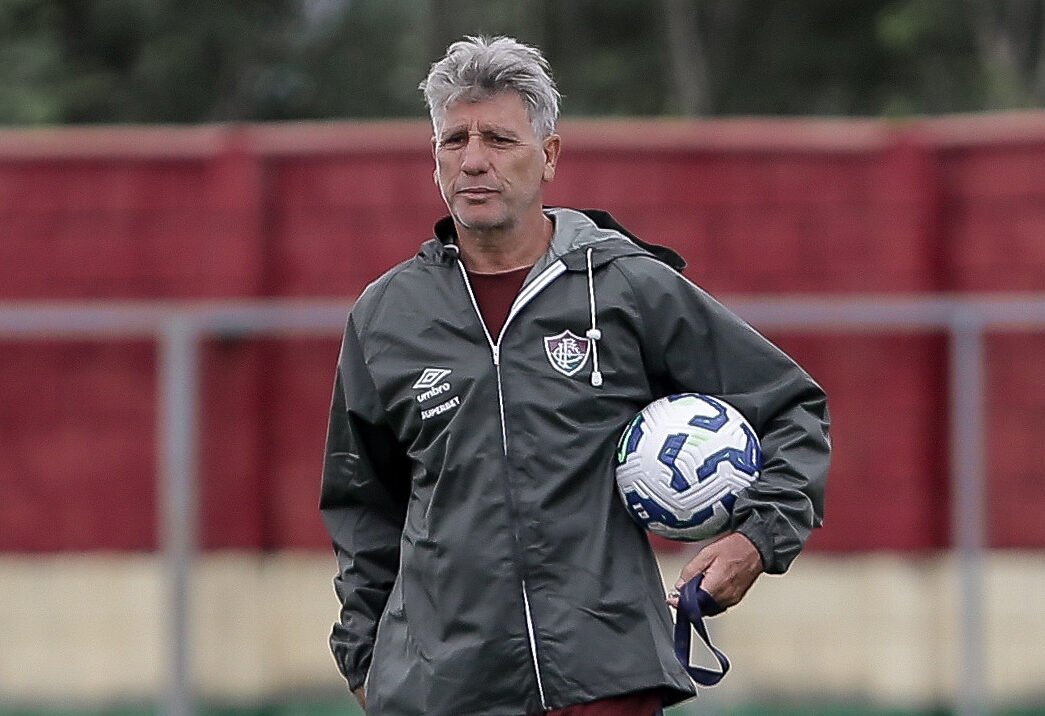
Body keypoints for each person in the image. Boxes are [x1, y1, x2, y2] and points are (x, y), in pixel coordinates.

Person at [320, 35, 830, 716]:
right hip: (443, 691)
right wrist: (366, 661)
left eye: (499, 139)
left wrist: (757, 539)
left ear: (549, 155)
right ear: (434, 156)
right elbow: (361, 504)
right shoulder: (386, 315)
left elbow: (792, 407)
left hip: (604, 682)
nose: (474, 160)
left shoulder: (625, 287)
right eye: (454, 140)